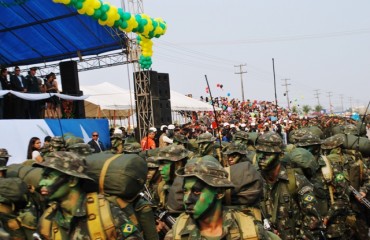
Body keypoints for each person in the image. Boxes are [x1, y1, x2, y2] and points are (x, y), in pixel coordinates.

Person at [34, 151, 144, 239]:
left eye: (48, 177)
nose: (41, 183)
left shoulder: (106, 212)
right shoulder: (46, 221)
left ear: (72, 180)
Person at [165, 157, 280, 240]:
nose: (187, 199)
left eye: (196, 192)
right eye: (185, 191)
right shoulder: (177, 233)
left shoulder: (249, 230)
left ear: (220, 193)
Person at [255, 132, 323, 240]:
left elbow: (313, 219)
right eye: (258, 152)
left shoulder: (296, 181)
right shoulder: (256, 180)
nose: (261, 157)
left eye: (267, 153)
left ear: (281, 155)